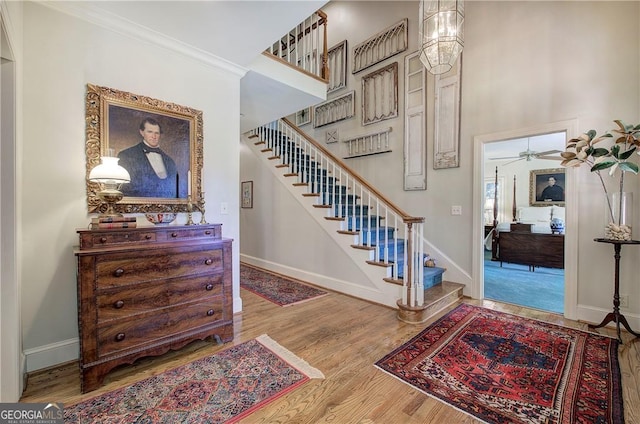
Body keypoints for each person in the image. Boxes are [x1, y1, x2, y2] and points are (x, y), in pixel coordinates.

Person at [118, 118, 179, 198]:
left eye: (157, 133)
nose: (154, 136)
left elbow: (174, 191)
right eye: (150, 132)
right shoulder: (126, 155)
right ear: (142, 132)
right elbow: (124, 189)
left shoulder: (170, 161)